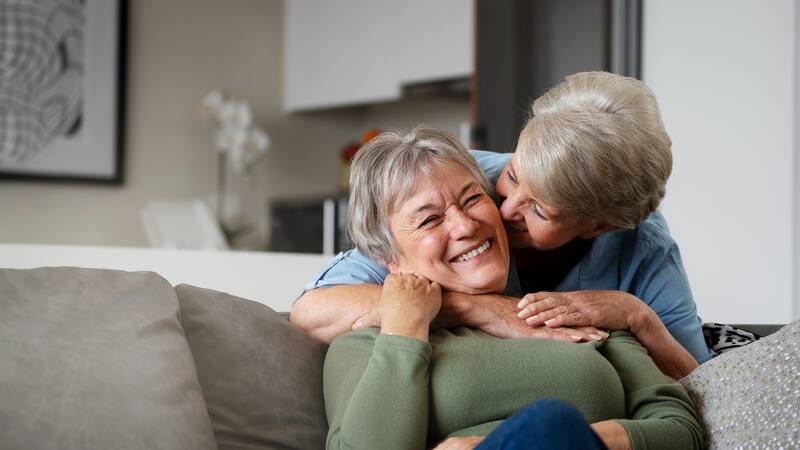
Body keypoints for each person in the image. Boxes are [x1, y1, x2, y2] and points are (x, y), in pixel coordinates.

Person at [292, 72, 713, 379]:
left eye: (540, 212)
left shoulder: (642, 244)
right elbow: (313, 311)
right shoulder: (459, 184)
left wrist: (635, 315)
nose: (506, 208)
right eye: (512, 176)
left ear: (596, 227)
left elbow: (703, 384)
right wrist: (480, 309)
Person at [323, 127, 703, 450]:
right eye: (430, 219)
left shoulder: (575, 317)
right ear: (391, 259)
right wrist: (403, 330)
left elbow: (680, 429)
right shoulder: (364, 344)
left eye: (473, 199)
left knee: (550, 422)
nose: (465, 226)